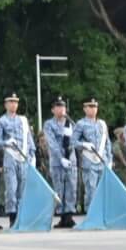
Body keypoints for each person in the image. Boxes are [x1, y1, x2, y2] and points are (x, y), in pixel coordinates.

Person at [0, 93, 33, 225]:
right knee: (11, 188)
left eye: (16, 102)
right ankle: (12, 216)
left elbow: (29, 140)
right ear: (6, 104)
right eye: (10, 102)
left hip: (24, 158)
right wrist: (6, 142)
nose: (13, 104)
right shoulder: (1, 122)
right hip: (10, 157)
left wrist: (32, 156)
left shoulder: (23, 120)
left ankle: (22, 216)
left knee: (23, 189)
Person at [43, 97, 77, 230]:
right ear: (53, 110)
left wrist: (70, 157)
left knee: (71, 188)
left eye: (62, 106)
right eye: (57, 106)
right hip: (58, 161)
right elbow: (52, 143)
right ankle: (62, 216)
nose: (61, 109)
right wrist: (61, 157)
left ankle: (69, 215)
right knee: (59, 189)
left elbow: (76, 139)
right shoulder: (49, 124)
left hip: (71, 161)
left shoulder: (72, 124)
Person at [73, 97, 109, 216]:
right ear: (85, 108)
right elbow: (73, 142)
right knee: (91, 190)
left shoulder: (102, 124)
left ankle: (103, 214)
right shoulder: (80, 124)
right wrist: (84, 144)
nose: (93, 109)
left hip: (102, 162)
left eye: (95, 106)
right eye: (90, 106)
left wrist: (110, 160)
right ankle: (92, 215)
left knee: (103, 191)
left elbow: (107, 143)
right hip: (89, 162)